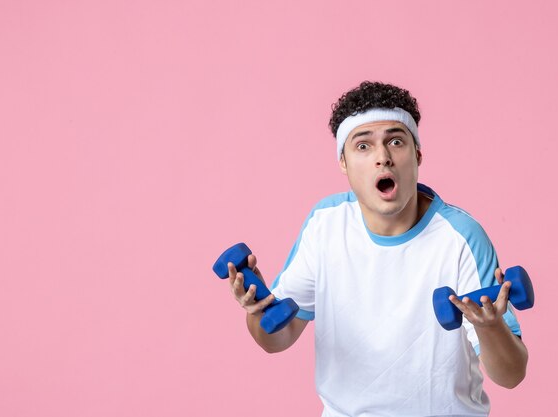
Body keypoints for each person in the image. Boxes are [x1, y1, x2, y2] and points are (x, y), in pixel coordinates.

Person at [225, 81, 528, 416]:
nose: (383, 158)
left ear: (417, 154)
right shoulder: (326, 225)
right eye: (363, 146)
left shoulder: (461, 238)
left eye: (395, 141)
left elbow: (511, 375)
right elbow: (276, 340)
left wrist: (489, 327)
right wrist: (257, 311)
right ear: (343, 162)